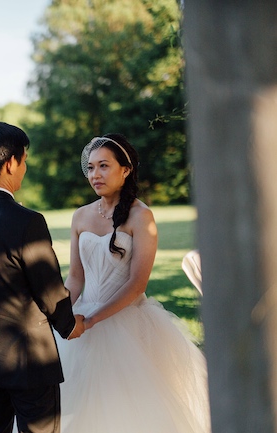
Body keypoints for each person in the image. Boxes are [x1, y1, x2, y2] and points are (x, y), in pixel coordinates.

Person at [55, 134, 210, 433]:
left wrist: (92, 320)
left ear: (125, 170)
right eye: (90, 168)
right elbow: (75, 277)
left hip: (127, 321)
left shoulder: (142, 216)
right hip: (82, 318)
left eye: (104, 166)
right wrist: (61, 316)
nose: (95, 175)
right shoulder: (80, 216)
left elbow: (138, 284)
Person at [0, 121, 84, 433]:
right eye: (24, 160)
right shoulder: (27, 222)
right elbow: (48, 290)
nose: (24, 168)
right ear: (11, 163)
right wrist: (71, 325)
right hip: (29, 360)